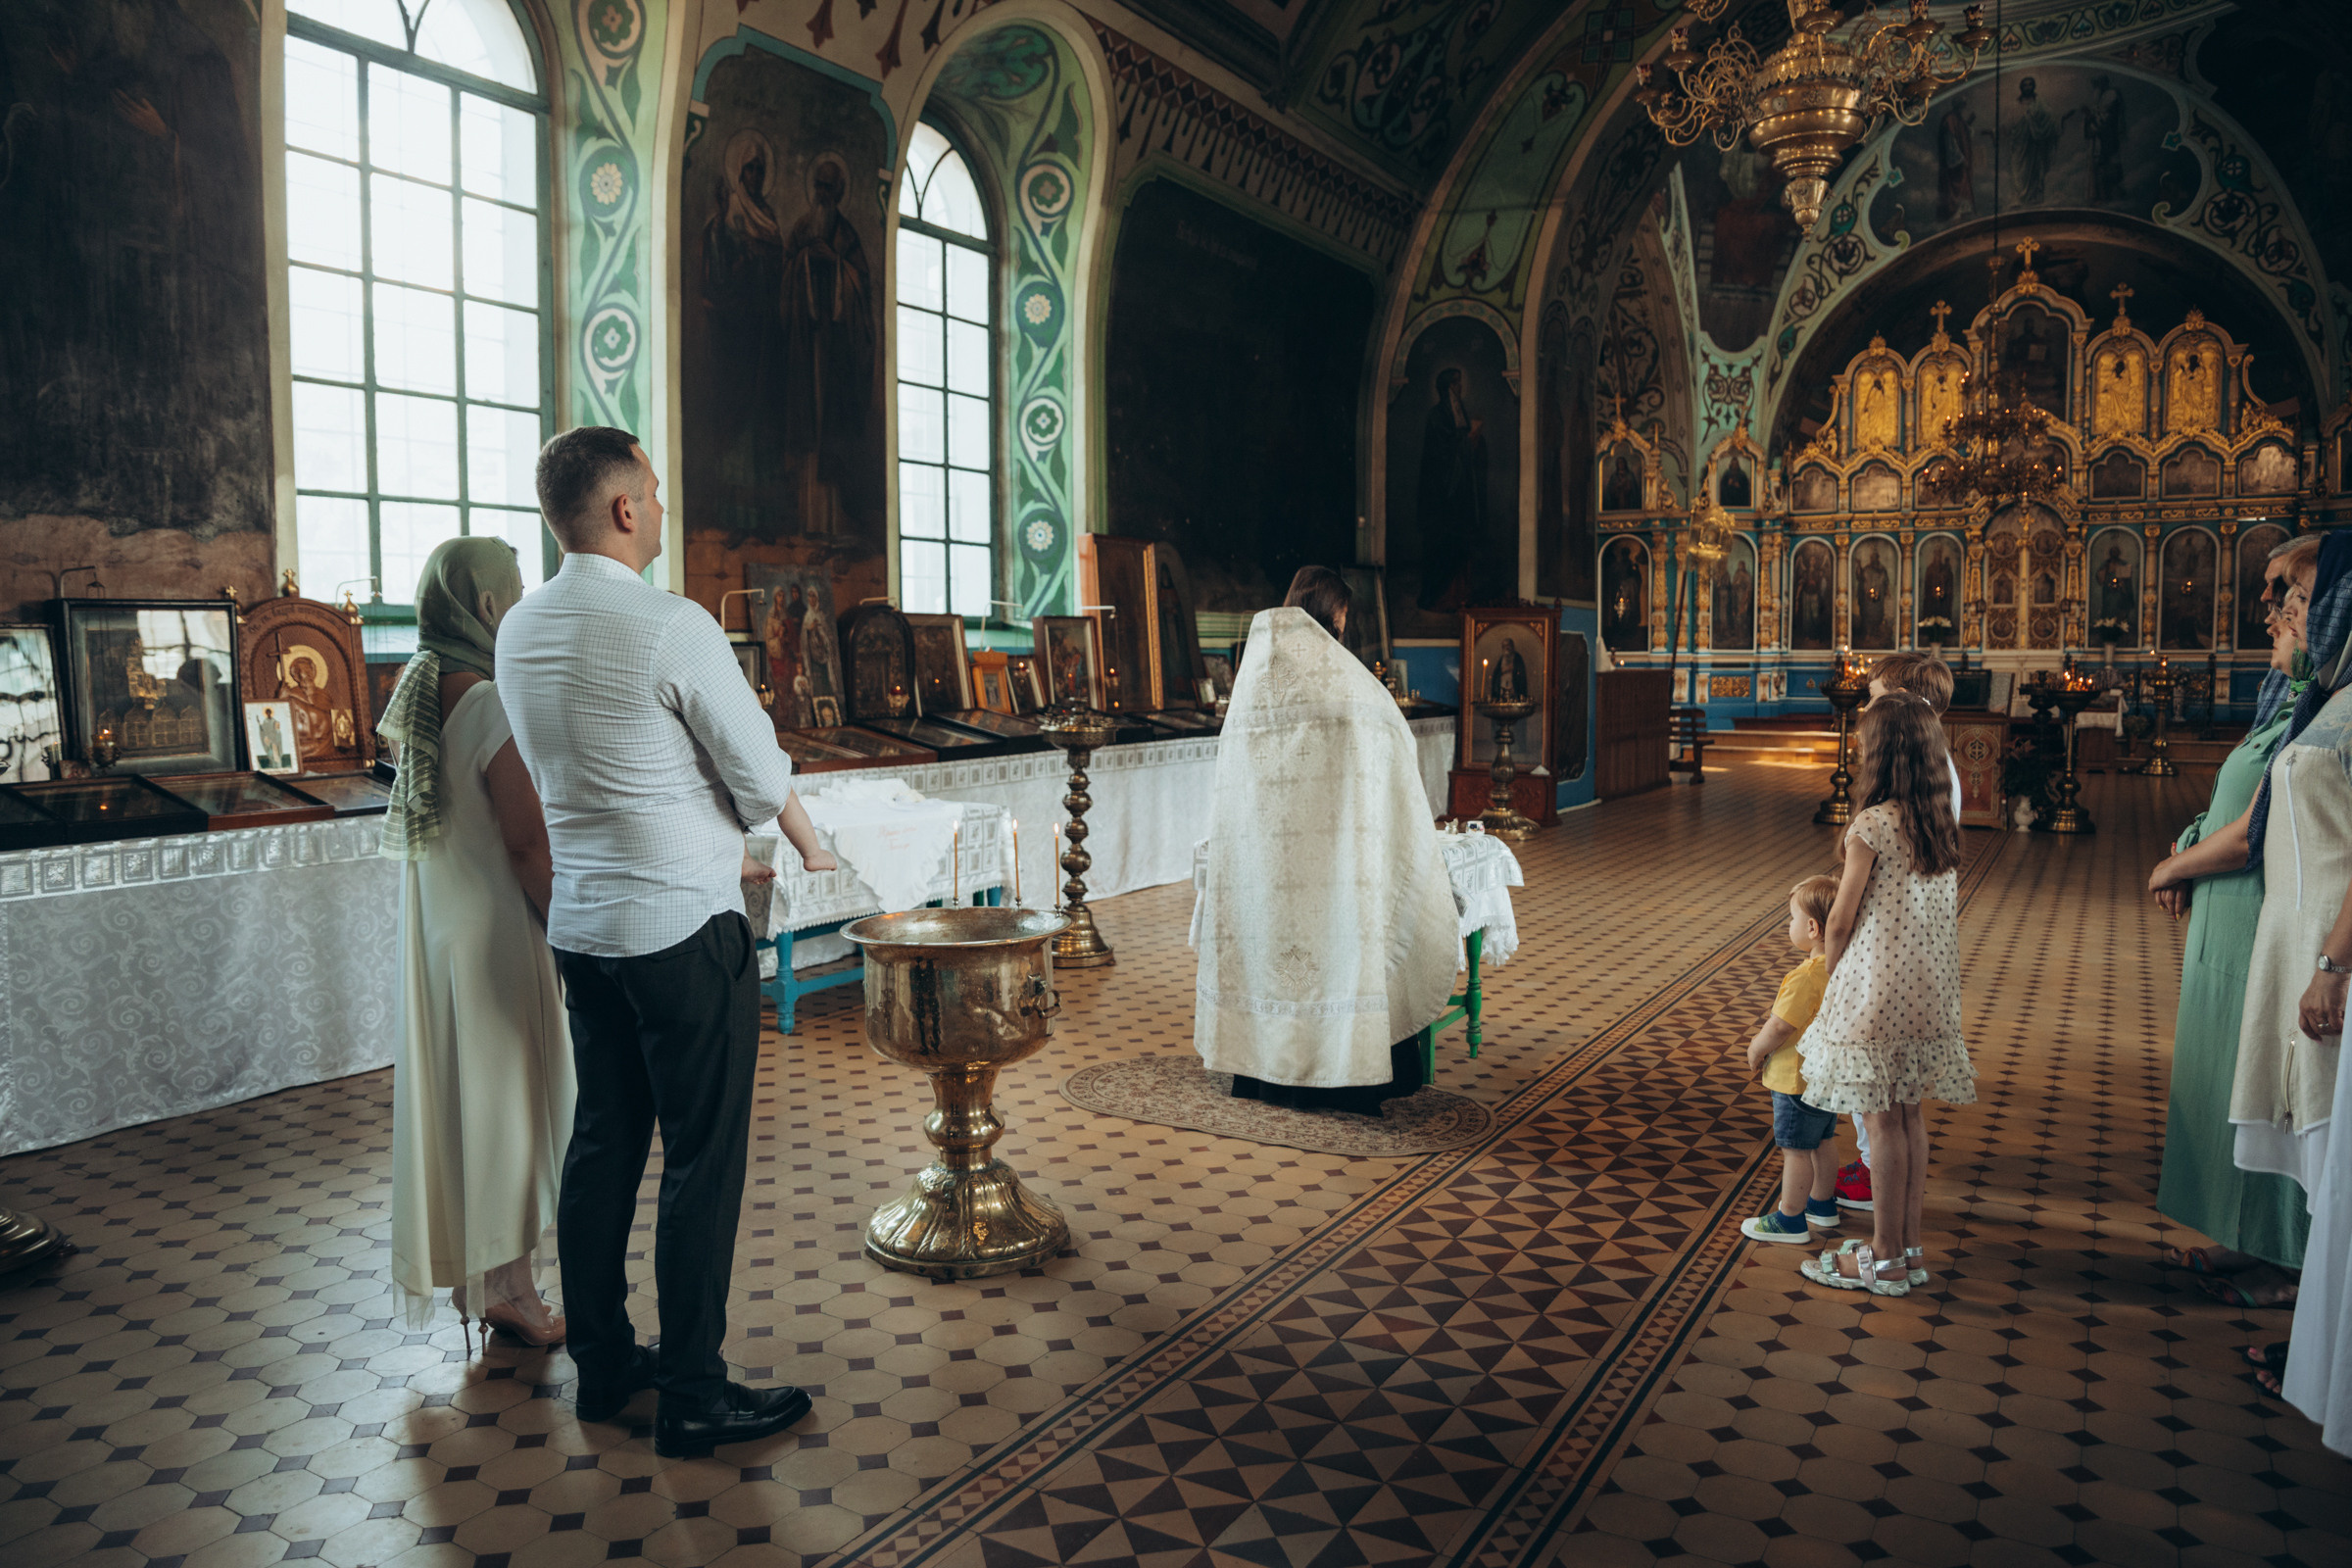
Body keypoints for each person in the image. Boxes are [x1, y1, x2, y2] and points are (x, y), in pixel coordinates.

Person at [497, 426, 839, 1458]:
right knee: (701, 1159)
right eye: (652, 486)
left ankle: (604, 1364)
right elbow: (758, 772)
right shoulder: (670, 625)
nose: (661, 500)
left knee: (602, 1143)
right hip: (684, 931)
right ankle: (693, 1388)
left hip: (587, 929)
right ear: (624, 510)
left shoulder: (518, 628)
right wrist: (805, 847)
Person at [382, 537, 573, 1350]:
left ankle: (486, 1279)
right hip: (495, 929)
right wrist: (571, 930)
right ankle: (511, 1290)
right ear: (489, 608)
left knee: (467, 1105)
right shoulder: (489, 699)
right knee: (509, 1110)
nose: (524, 601)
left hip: (439, 933)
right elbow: (528, 843)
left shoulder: (421, 689)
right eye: (517, 591)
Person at [1196, 565, 1460, 1115]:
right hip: (1338, 867)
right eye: (1342, 619)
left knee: (1272, 951)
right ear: (1334, 617)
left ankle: (1264, 1073)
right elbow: (1393, 759)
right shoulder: (1352, 689)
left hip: (1266, 866)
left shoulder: (1252, 684)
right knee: (1341, 953)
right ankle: (1344, 1071)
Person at [2145, 535, 2319, 1312]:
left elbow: (2261, 824)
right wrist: (2187, 843)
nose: (2272, 609)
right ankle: (2247, 1238)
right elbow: (2240, 798)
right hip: (2235, 919)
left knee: (2272, 1089)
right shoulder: (2284, 692)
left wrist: (2176, 866)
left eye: (2292, 594)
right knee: (2231, 1084)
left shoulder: (2321, 701)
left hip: (2269, 923)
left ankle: (2285, 1257)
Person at [1796, 693, 1972, 1295]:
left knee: (1879, 1120)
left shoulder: (1871, 825)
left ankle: (1884, 1253)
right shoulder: (1938, 820)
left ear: (1881, 752)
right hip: (1928, 990)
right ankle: (1910, 1245)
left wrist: (1832, 976)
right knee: (1908, 1114)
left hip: (1874, 988)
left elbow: (1841, 920)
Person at [1740, 875, 1845, 1244]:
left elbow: (1781, 1025)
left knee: (1795, 1150)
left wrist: (1756, 1048)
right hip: (1825, 1076)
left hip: (1795, 1080)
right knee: (1824, 1141)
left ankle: (1790, 1219)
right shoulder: (1839, 968)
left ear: (1812, 928)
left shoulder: (1804, 977)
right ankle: (1822, 1204)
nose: (1790, 926)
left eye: (1792, 918)